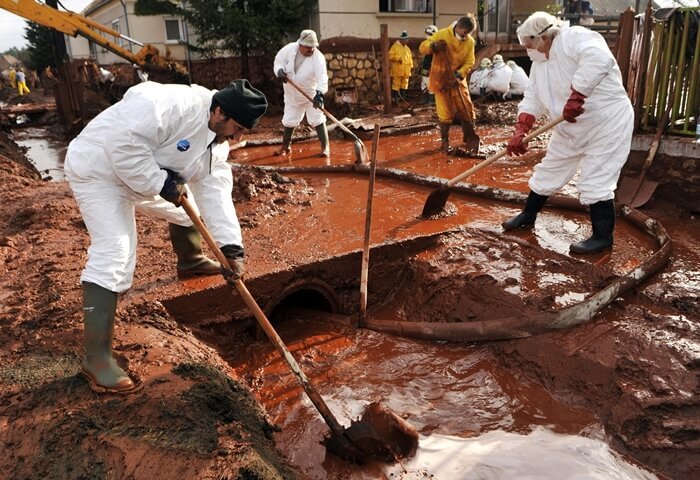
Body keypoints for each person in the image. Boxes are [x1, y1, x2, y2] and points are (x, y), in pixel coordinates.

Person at [64, 79, 268, 393]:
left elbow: (215, 191)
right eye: (237, 127)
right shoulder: (170, 104)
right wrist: (160, 182)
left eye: (244, 132)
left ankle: (190, 260)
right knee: (115, 252)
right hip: (99, 170)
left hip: (146, 176)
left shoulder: (217, 141)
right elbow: (121, 144)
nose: (238, 137)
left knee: (192, 208)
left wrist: (230, 248)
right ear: (219, 111)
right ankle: (97, 359)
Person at [502, 11, 633, 254]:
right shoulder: (540, 64)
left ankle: (602, 237)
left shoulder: (576, 38)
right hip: (569, 126)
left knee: (596, 179)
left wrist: (578, 95)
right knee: (549, 170)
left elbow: (599, 59)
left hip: (606, 122)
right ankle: (528, 215)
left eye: (529, 42)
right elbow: (532, 97)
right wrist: (521, 129)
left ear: (544, 36)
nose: (528, 48)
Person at [419, 14, 480, 154]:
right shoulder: (442, 35)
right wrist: (433, 46)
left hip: (458, 79)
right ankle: (445, 142)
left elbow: (470, 61)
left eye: (468, 34)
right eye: (464, 33)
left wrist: (459, 75)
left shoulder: (470, 42)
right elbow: (423, 47)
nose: (465, 36)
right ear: (458, 27)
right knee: (444, 111)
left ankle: (469, 138)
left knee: (466, 107)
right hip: (441, 79)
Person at [274, 29, 330, 157]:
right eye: (308, 47)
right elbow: (278, 62)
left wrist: (320, 93)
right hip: (291, 94)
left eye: (313, 47)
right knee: (289, 119)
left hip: (311, 94)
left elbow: (322, 77)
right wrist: (279, 71)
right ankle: (285, 147)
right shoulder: (288, 50)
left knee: (317, 118)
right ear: (300, 44)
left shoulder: (318, 58)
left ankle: (325, 147)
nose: (311, 50)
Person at [389, 30, 414, 104]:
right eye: (406, 40)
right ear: (402, 40)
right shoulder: (395, 47)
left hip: (406, 70)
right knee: (396, 84)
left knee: (405, 84)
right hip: (398, 70)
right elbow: (390, 56)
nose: (407, 41)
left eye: (407, 40)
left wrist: (411, 67)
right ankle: (395, 99)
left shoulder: (407, 48)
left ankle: (403, 98)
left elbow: (410, 58)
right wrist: (398, 58)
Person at [420, 25, 438, 105]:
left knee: (429, 83)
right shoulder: (428, 44)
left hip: (431, 67)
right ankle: (425, 98)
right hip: (426, 67)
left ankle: (431, 100)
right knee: (424, 82)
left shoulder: (434, 45)